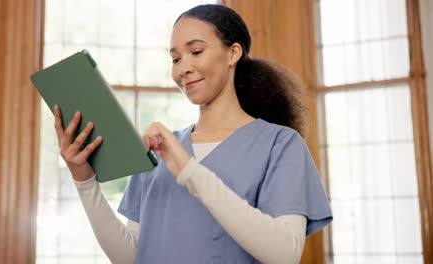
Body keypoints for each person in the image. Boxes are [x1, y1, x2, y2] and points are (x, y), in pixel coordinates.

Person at [54, 4, 332, 264]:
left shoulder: (279, 144)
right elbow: (131, 256)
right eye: (175, 58)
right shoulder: (158, 150)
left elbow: (285, 253)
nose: (182, 68)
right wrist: (85, 181)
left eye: (196, 52)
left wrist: (190, 172)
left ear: (233, 53)